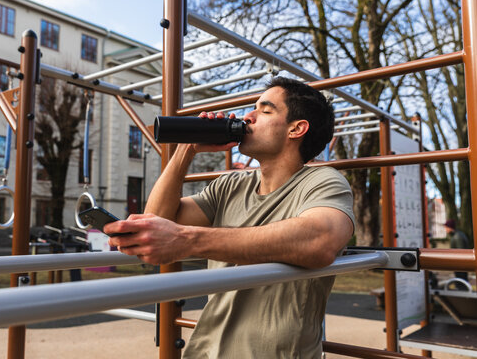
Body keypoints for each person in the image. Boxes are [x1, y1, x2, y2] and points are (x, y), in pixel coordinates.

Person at [105, 77, 355, 358]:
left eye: (265, 110)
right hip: (206, 352)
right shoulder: (231, 185)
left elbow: (320, 240)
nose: (248, 115)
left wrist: (187, 240)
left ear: (296, 129)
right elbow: (155, 219)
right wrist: (187, 149)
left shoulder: (323, 181)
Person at [444, 219, 470, 288]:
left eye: (446, 227)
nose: (445, 229)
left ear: (450, 227)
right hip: (460, 266)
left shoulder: (458, 236)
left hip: (460, 266)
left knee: (461, 283)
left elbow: (460, 253)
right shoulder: (457, 235)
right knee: (461, 282)